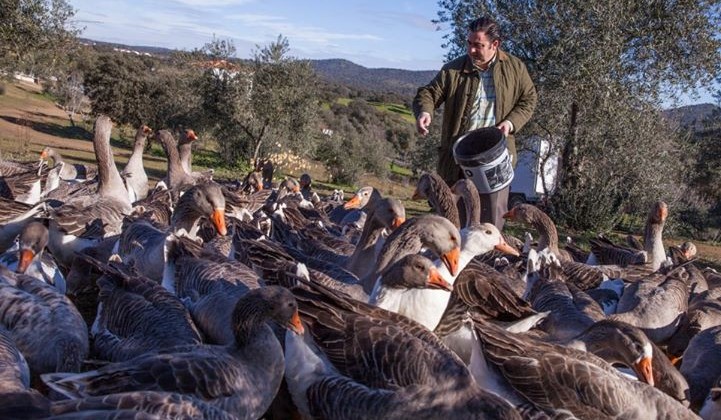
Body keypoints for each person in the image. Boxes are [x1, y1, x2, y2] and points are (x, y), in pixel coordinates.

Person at [413, 16, 537, 229]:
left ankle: (486, 262)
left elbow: (529, 99)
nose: (471, 50)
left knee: (491, 223)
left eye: (478, 45)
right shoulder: (453, 69)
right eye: (469, 43)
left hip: (496, 160)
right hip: (458, 160)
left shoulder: (515, 69)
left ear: (494, 45)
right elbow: (429, 93)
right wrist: (425, 111)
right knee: (452, 223)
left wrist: (510, 123)